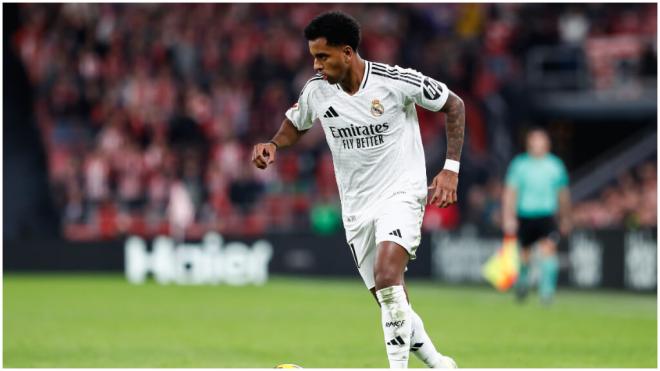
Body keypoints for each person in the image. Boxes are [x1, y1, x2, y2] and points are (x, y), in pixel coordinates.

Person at [251, 11, 464, 368]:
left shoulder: (394, 81)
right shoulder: (317, 91)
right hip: (356, 206)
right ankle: (440, 364)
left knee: (386, 278)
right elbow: (296, 123)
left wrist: (450, 170)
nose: (316, 65)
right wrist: (274, 144)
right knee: (391, 301)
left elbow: (453, 104)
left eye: (323, 56)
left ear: (347, 52)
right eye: (313, 57)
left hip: (401, 192)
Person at [502, 127, 572, 305]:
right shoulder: (520, 164)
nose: (537, 144)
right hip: (525, 214)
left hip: (547, 214)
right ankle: (523, 283)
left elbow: (563, 194)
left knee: (548, 250)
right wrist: (508, 217)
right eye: (534, 140)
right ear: (528, 143)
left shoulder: (555, 166)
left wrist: (565, 217)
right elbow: (510, 192)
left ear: (547, 144)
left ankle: (546, 292)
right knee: (524, 255)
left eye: (540, 140)